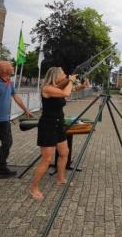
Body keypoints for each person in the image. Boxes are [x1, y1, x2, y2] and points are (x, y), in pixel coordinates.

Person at [29, 67, 89, 201]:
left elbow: (72, 90)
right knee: (47, 159)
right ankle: (34, 188)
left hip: (58, 124)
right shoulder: (47, 88)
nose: (65, 75)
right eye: (63, 73)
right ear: (56, 75)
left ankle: (61, 179)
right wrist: (71, 81)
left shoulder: (59, 87)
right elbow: (65, 94)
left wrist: (82, 86)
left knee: (64, 153)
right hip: (48, 125)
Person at [0, 61, 31, 180]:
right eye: (10, 66)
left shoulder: (9, 81)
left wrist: (25, 109)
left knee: (8, 142)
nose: (13, 67)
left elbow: (15, 96)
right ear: (3, 69)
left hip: (4, 119)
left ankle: (1, 167)